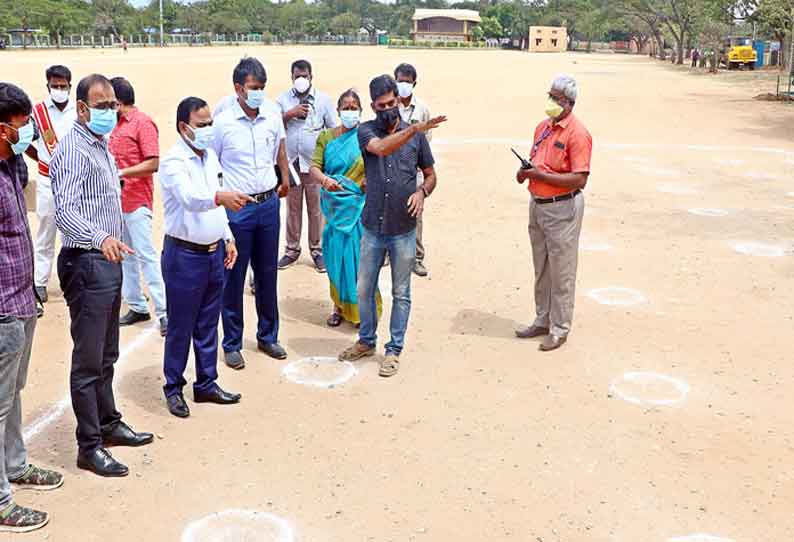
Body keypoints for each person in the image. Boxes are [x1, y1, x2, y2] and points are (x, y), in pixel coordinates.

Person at [50, 74, 153, 478]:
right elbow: (66, 212)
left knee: (108, 353)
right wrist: (101, 237)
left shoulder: (101, 144)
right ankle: (88, 445)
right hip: (87, 260)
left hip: (106, 260)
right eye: (102, 105)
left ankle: (109, 423)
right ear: (82, 108)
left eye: (113, 105)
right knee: (89, 361)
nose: (110, 111)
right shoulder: (74, 150)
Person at [337, 75, 444, 377]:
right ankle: (366, 341)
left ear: (399, 99)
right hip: (372, 226)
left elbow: (431, 175)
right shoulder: (366, 130)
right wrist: (414, 129)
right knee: (364, 288)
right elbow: (381, 148)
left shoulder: (418, 139)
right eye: (381, 105)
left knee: (402, 291)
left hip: (404, 229)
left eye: (392, 103)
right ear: (373, 106)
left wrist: (422, 193)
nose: (388, 109)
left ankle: (394, 349)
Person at [159, 97, 252, 418]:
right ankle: (173, 386)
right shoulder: (173, 162)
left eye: (211, 123)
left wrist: (228, 237)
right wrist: (219, 197)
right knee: (181, 326)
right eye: (202, 124)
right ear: (184, 127)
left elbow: (218, 204)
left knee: (209, 323)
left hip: (213, 254)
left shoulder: (210, 157)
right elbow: (190, 199)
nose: (209, 130)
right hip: (184, 256)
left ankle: (206, 383)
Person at [0, 82, 64, 534]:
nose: (27, 133)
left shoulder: (11, 166)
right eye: (20, 127)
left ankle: (16, 464)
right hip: (1, 304)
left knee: (12, 392)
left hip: (21, 298)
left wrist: (22, 148)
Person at [212, 57, 290, 370]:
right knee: (233, 275)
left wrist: (285, 177)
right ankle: (232, 342)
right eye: (252, 88)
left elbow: (280, 148)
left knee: (267, 273)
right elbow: (212, 164)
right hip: (238, 209)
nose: (258, 93)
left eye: (262, 88)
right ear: (238, 88)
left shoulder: (272, 113)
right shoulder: (222, 121)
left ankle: (268, 336)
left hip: (269, 203)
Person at [515, 74, 592, 352]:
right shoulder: (543, 128)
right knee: (542, 268)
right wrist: (526, 173)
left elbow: (580, 179)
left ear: (569, 103)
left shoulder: (578, 134)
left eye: (556, 98)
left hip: (563, 208)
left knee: (562, 271)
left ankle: (560, 328)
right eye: (550, 96)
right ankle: (542, 319)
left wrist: (541, 176)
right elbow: (536, 161)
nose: (550, 102)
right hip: (538, 206)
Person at [310, 89, 382, 327]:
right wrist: (325, 181)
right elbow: (314, 168)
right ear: (338, 111)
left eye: (354, 107)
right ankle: (338, 306)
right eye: (346, 107)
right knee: (335, 258)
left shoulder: (367, 136)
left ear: (361, 111)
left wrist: (368, 181)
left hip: (359, 208)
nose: (350, 111)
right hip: (334, 207)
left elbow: (378, 164)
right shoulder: (326, 138)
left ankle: (363, 310)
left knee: (360, 260)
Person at [108, 77, 168, 336]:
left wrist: (122, 172)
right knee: (126, 258)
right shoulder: (113, 124)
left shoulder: (142, 123)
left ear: (118, 102)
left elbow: (153, 162)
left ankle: (165, 311)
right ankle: (137, 305)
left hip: (137, 200)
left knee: (145, 255)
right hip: (116, 202)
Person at [277, 59, 338, 272]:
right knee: (292, 209)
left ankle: (317, 250)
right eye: (297, 76)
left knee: (316, 209)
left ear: (312, 77)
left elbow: (333, 130)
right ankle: (292, 250)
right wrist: (289, 114)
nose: (301, 80)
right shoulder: (283, 100)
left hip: (315, 164)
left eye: (304, 76)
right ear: (291, 77)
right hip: (291, 163)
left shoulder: (323, 100)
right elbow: (274, 127)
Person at [25, 65, 77, 304]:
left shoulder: (79, 111)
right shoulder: (38, 113)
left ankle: (73, 279)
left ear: (70, 86)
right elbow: (25, 142)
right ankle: (40, 282)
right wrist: (42, 159)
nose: (59, 89)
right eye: (54, 86)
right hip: (48, 180)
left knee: (74, 233)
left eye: (62, 86)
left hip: (74, 181)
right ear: (47, 86)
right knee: (46, 232)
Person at [394, 63, 433, 278]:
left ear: (414, 83)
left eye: (408, 81)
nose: (403, 85)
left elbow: (425, 140)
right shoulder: (391, 106)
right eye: (400, 80)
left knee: (415, 213)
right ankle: (390, 254)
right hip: (391, 168)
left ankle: (416, 258)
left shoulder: (422, 110)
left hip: (414, 171)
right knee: (390, 209)